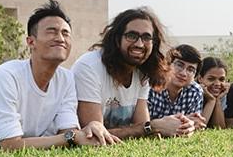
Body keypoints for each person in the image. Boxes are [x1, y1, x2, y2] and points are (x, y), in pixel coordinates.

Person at [0, 0, 117, 150]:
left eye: (65, 33)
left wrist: (92, 126)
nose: (60, 38)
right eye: (51, 31)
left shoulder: (66, 78)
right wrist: (70, 138)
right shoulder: (5, 76)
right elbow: (10, 146)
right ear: (30, 42)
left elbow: (67, 130)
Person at [72, 7, 195, 139]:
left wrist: (180, 124)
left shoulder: (142, 72)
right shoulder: (89, 67)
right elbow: (94, 136)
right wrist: (153, 127)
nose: (140, 44)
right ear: (117, 39)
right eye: (132, 36)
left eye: (147, 37)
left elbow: (142, 128)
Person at [148, 44, 207, 129]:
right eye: (179, 65)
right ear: (167, 65)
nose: (183, 73)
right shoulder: (152, 85)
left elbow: (192, 124)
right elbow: (142, 125)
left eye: (190, 70)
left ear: (195, 76)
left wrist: (190, 123)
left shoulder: (195, 91)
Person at [198, 56, 229, 129]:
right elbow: (199, 127)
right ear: (200, 78)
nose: (217, 84)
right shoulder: (194, 92)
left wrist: (217, 101)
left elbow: (219, 128)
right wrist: (211, 101)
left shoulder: (222, 93)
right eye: (211, 79)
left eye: (221, 79)